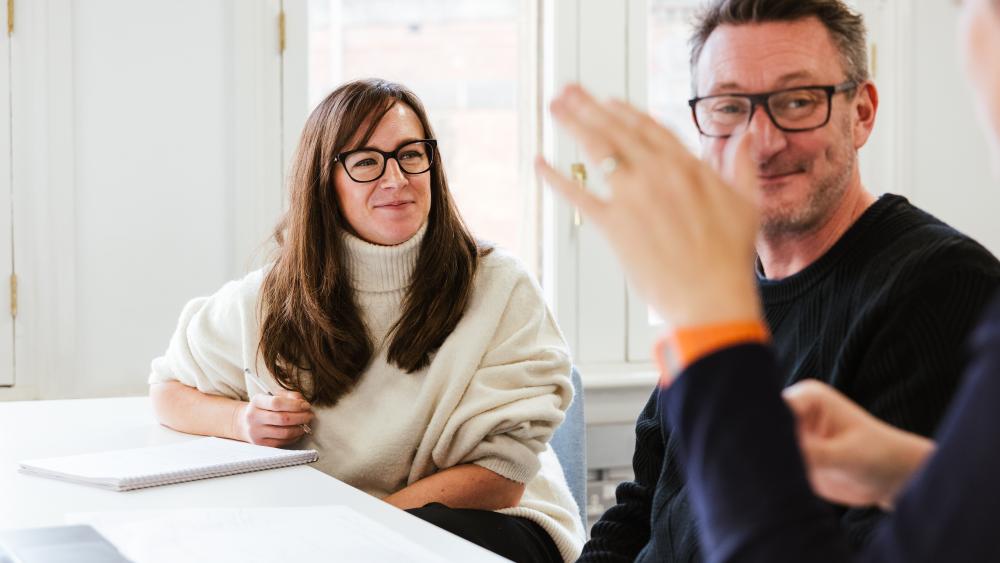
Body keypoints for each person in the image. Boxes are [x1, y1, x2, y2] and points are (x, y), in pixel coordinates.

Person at [540, 0, 1000, 560]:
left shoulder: (941, 285)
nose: (761, 139)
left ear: (862, 113)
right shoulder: (719, 280)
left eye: (798, 101)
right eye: (730, 106)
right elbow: (642, 507)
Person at [149, 78, 584, 563]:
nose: (395, 179)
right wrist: (241, 420)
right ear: (325, 183)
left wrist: (360, 530)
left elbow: (501, 479)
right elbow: (168, 391)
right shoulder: (271, 298)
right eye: (366, 162)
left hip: (496, 526)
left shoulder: (500, 286)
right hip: (338, 537)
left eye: (410, 154)